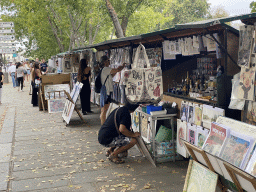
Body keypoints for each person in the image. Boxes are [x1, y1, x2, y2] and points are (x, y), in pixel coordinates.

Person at [100, 56, 125, 125]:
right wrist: (122, 66)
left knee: (104, 109)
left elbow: (112, 75)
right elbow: (117, 69)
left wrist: (119, 70)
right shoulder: (105, 69)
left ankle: (103, 125)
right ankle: (103, 126)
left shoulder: (105, 70)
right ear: (104, 62)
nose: (109, 61)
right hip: (106, 92)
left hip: (106, 91)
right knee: (104, 110)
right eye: (108, 60)